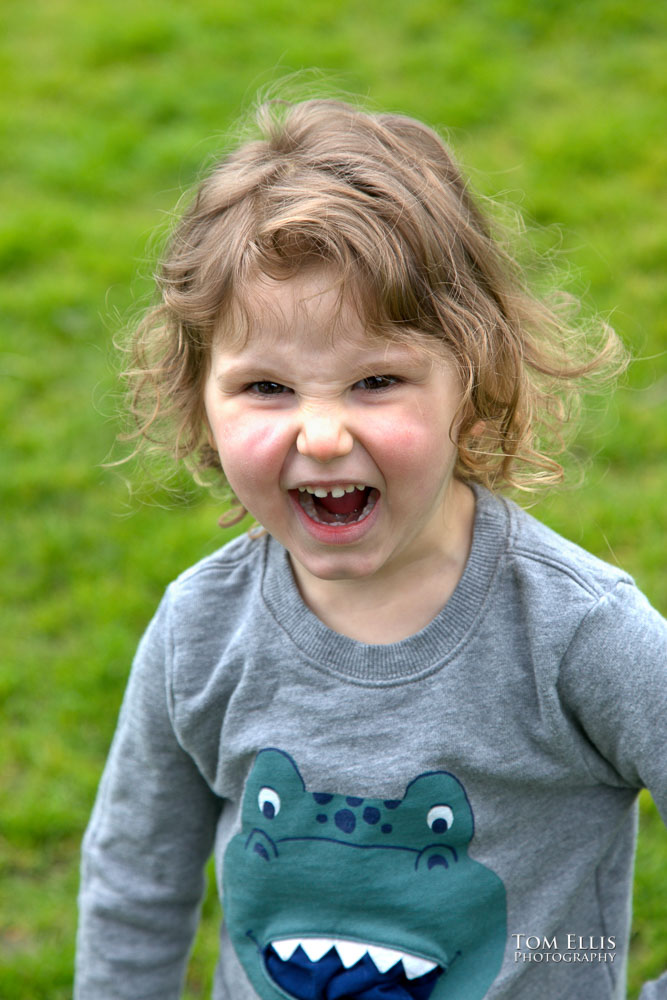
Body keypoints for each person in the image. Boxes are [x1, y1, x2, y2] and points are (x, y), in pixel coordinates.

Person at [74, 97, 667, 1000]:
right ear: (199, 398)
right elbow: (134, 879)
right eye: (266, 386)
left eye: (375, 380)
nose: (319, 434)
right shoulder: (200, 628)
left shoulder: (581, 636)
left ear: (474, 378)